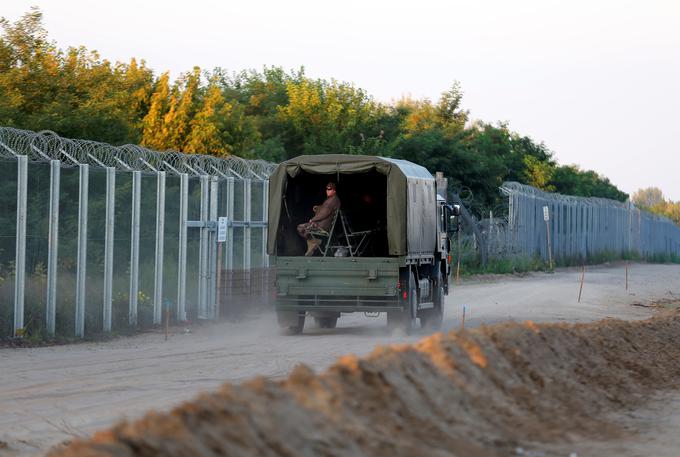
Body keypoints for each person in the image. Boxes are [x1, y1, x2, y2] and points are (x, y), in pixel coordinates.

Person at [297, 182, 341, 256]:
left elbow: (325, 213)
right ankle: (313, 241)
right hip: (322, 224)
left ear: (334, 191)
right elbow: (325, 208)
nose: (327, 190)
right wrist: (318, 207)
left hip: (321, 226)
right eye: (327, 189)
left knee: (300, 227)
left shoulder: (332, 200)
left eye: (330, 189)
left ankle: (313, 241)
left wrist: (314, 219)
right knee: (304, 228)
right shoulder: (333, 200)